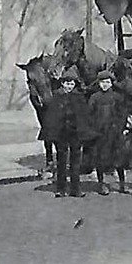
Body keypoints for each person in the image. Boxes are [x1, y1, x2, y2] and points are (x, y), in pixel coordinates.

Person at [40, 68, 96, 198]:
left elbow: (84, 116)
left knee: (76, 162)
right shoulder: (57, 97)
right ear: (62, 84)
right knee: (61, 161)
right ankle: (61, 188)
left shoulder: (79, 97)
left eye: (72, 84)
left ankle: (76, 188)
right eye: (67, 83)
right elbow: (51, 117)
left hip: (75, 134)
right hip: (61, 134)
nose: (69, 86)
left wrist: (84, 132)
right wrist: (51, 133)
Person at [87, 70, 128, 195]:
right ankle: (102, 184)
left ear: (111, 83)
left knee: (119, 158)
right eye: (102, 82)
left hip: (115, 132)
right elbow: (89, 115)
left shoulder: (117, 97)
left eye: (107, 82)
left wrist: (121, 127)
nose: (104, 85)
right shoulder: (94, 98)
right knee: (100, 158)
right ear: (98, 83)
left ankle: (122, 183)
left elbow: (123, 114)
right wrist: (93, 129)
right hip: (100, 133)